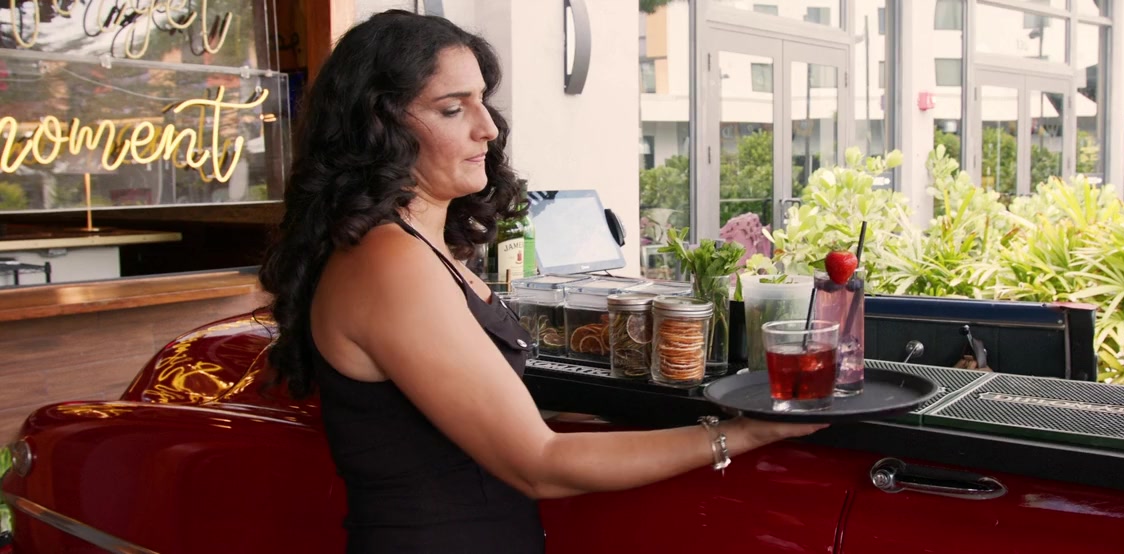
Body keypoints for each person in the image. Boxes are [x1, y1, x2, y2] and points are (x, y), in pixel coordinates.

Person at [259, 11, 826, 553]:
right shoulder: (390, 262)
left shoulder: (421, 250)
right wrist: (743, 434)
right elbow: (539, 464)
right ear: (378, 127)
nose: (487, 128)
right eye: (453, 109)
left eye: (482, 100)